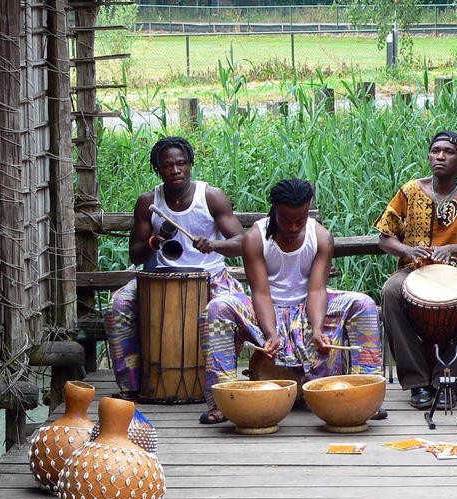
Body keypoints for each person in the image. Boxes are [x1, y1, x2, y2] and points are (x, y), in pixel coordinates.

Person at [204, 179, 384, 422]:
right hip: (266, 307)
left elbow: (318, 289)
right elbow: (261, 292)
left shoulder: (321, 236)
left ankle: (364, 394)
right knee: (218, 307)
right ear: (275, 209)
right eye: (286, 220)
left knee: (363, 304)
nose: (292, 226)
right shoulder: (255, 237)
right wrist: (270, 333)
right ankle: (223, 400)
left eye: (299, 220)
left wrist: (318, 328)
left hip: (308, 305)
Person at [105, 136, 248, 406]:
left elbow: (242, 242)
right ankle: (132, 389)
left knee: (224, 308)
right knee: (118, 306)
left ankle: (220, 389)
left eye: (181, 163)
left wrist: (214, 244)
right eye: (167, 165)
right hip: (158, 279)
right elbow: (135, 254)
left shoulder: (210, 196)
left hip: (210, 276)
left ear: (190, 164)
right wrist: (152, 242)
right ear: (158, 169)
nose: (175, 170)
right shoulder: (149, 202)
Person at [375, 131, 457, 409]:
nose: (440, 156)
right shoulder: (410, 190)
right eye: (435, 151)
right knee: (391, 291)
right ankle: (417, 382)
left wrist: (453, 250)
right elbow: (385, 236)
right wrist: (406, 250)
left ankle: (448, 382)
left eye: (448, 152)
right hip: (414, 270)